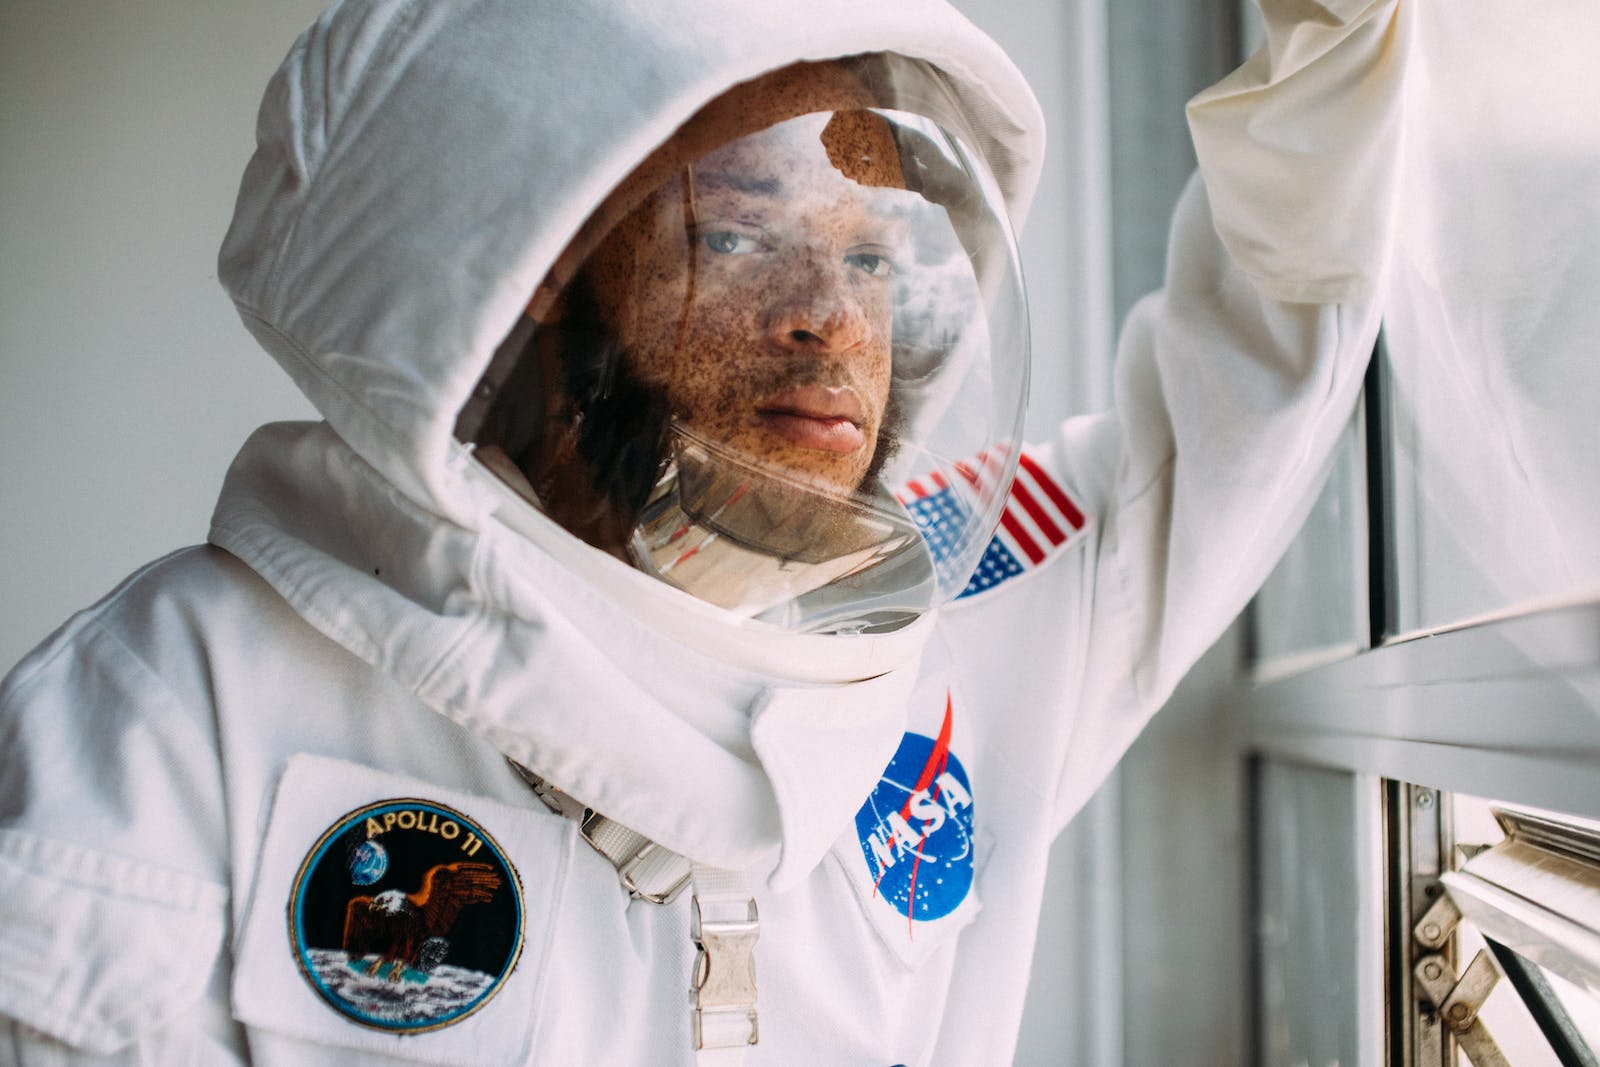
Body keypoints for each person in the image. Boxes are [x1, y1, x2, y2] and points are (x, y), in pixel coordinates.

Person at [0, 0, 1403, 1062]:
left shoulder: (976, 615)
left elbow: (1263, 366)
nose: (834, 319)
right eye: (736, 236)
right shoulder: (180, 706)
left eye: (873, 254)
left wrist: (1335, 40)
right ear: (522, 262)